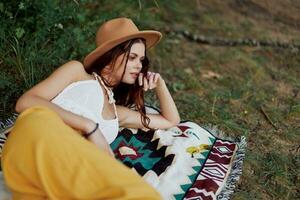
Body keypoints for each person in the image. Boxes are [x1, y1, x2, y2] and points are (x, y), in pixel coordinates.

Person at [1, 17, 180, 199]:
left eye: (141, 60)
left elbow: (170, 120)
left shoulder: (117, 113)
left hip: (72, 161)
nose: (139, 65)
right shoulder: (77, 73)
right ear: (110, 56)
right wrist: (89, 126)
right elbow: (26, 102)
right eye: (132, 57)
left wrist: (160, 84)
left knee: (142, 193)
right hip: (42, 134)